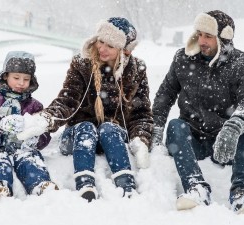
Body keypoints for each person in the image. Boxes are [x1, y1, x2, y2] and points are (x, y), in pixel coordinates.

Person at [17, 17, 153, 202]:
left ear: (124, 51)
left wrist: (141, 139)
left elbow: (141, 112)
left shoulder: (137, 70)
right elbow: (67, 100)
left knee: (109, 128)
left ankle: (126, 184)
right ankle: (85, 183)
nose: (102, 48)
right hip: (78, 136)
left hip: (111, 138)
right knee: (86, 128)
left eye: (110, 46)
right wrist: (47, 119)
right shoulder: (82, 64)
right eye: (101, 41)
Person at [151, 10, 244, 214]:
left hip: (226, 143)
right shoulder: (183, 58)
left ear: (223, 39)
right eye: (199, 34)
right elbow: (165, 95)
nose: (202, 40)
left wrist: (233, 126)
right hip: (192, 140)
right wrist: (155, 128)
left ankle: (241, 193)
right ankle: (196, 188)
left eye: (208, 36)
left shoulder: (242, 65)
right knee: (175, 126)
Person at [0, 51, 58, 201]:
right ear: (6, 75)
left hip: (21, 147)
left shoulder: (34, 106)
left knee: (30, 159)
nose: (21, 83)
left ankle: (40, 183)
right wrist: (0, 122)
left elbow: (43, 131)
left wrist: (36, 139)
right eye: (16, 78)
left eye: (26, 79)